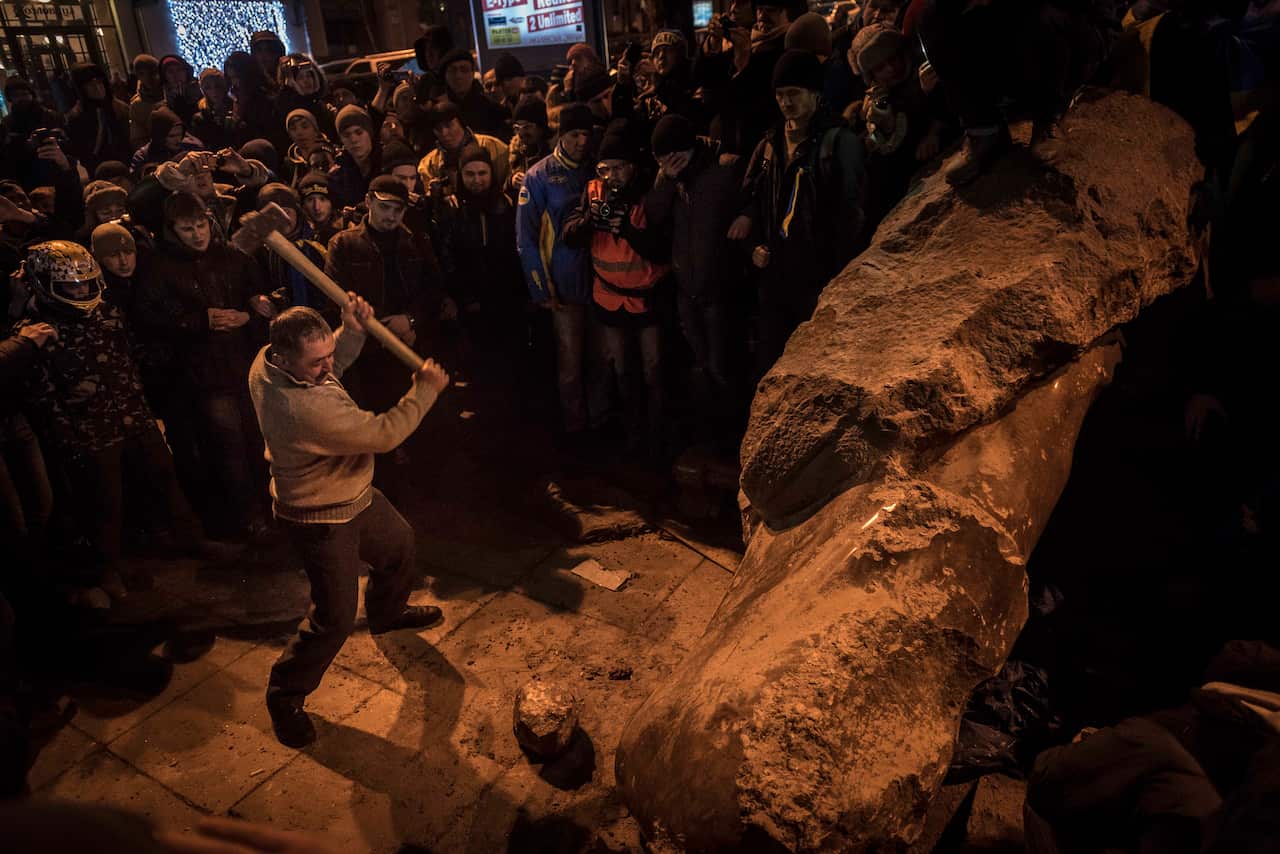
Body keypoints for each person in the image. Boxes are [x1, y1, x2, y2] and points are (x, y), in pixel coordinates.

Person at [249, 297, 451, 747]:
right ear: (284, 359)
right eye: (315, 362)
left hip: (352, 491)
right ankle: (285, 696)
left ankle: (386, 613)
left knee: (397, 546)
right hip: (319, 516)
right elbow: (384, 434)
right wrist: (425, 390)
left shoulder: (268, 359)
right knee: (334, 618)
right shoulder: (302, 408)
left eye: (326, 356)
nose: (326, 368)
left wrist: (351, 329)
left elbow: (331, 358)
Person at [13, 240, 225, 599]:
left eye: (85, 284)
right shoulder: (34, 332)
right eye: (71, 286)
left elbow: (131, 354)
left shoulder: (106, 312)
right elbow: (43, 397)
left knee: (166, 479)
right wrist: (68, 438)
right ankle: (106, 570)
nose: (81, 291)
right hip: (91, 430)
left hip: (132, 414)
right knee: (104, 504)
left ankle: (192, 540)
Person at [132, 191, 270, 539]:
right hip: (203, 374)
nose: (197, 234)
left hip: (245, 365)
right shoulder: (159, 266)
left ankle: (271, 507)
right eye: (187, 228)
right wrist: (199, 321)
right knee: (228, 446)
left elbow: (263, 297)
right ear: (171, 229)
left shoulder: (232, 257)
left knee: (259, 440)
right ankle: (246, 516)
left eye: (200, 225)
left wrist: (250, 313)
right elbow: (148, 318)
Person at [738, 49, 866, 373]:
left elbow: (851, 213)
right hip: (775, 278)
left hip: (817, 282)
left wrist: (838, 275)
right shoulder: (769, 144)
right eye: (780, 95)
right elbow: (750, 199)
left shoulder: (838, 143)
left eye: (793, 93)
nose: (785, 103)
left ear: (815, 93)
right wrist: (753, 244)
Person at [563, 119, 670, 454]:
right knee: (622, 369)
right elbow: (569, 235)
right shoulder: (594, 190)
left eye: (618, 169)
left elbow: (663, 248)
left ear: (632, 167)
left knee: (654, 370)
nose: (611, 177)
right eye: (604, 169)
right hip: (609, 299)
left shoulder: (650, 194)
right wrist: (587, 223)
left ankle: (658, 435)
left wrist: (627, 229)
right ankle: (633, 435)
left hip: (647, 301)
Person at [644, 114, 744, 431]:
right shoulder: (671, 178)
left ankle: (731, 431)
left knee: (722, 366)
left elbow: (748, 204)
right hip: (686, 288)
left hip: (717, 287)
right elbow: (654, 216)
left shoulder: (723, 170)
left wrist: (747, 217)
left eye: (672, 158)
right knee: (701, 364)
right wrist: (665, 181)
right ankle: (711, 430)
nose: (669, 165)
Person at [324, 175, 444, 416]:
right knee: (374, 421)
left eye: (397, 209)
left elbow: (433, 290)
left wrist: (410, 320)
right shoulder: (343, 244)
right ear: (369, 202)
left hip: (411, 344)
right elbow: (338, 296)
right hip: (365, 353)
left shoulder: (417, 241)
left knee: (419, 420)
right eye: (384, 207)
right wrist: (385, 328)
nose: (391, 215)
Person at [517, 103, 597, 435]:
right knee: (570, 364)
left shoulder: (597, 168)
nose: (581, 141)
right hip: (564, 289)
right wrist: (541, 287)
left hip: (604, 282)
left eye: (586, 134)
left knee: (603, 360)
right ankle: (576, 429)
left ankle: (603, 422)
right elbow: (526, 238)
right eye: (574, 134)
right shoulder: (539, 176)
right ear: (561, 135)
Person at [417, 102, 510, 200]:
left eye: (449, 125)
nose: (444, 133)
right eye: (438, 129)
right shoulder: (428, 164)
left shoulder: (494, 147)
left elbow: (511, 180)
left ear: (461, 123)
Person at [65, 62, 132, 174]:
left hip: (127, 165)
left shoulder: (121, 107)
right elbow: (81, 151)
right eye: (91, 85)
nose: (98, 88)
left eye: (100, 82)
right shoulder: (76, 116)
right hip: (99, 170)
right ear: (82, 89)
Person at [438, 48, 512, 140]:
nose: (458, 76)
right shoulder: (438, 110)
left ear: (473, 73)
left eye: (464, 70)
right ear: (445, 75)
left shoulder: (492, 110)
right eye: (452, 70)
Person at [329, 104, 380, 208]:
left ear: (369, 133)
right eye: (346, 135)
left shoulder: (387, 162)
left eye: (359, 132)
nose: (354, 140)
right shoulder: (339, 174)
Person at [189, 68, 240, 152]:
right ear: (203, 90)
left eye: (218, 86)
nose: (214, 91)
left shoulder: (236, 107)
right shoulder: (200, 117)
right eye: (208, 87)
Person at [508, 96, 552, 192]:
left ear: (541, 127)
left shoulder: (553, 154)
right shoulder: (517, 153)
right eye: (517, 128)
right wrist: (512, 180)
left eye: (527, 127)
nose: (521, 133)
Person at [127, 54, 164, 149]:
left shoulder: (170, 92)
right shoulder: (137, 105)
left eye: (153, 72)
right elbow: (138, 138)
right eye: (142, 73)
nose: (149, 77)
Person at [298, 171, 343, 244]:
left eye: (322, 199)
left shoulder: (346, 230)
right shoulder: (299, 233)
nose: (317, 207)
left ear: (332, 202)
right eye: (310, 200)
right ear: (303, 205)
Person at [159, 54, 202, 126]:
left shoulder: (201, 90)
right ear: (165, 76)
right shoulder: (162, 98)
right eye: (170, 71)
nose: (176, 75)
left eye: (179, 70)